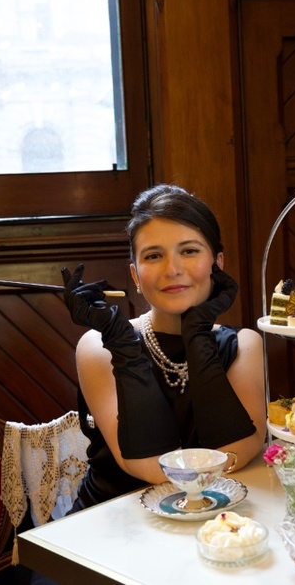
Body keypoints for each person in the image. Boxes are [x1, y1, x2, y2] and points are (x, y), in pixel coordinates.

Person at [61, 184, 267, 512]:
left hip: (213, 522)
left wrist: (197, 332)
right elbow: (146, 466)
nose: (172, 269)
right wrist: (123, 343)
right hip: (112, 523)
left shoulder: (244, 344)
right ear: (136, 275)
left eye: (189, 251)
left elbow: (232, 453)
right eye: (154, 256)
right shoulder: (100, 346)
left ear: (218, 263)